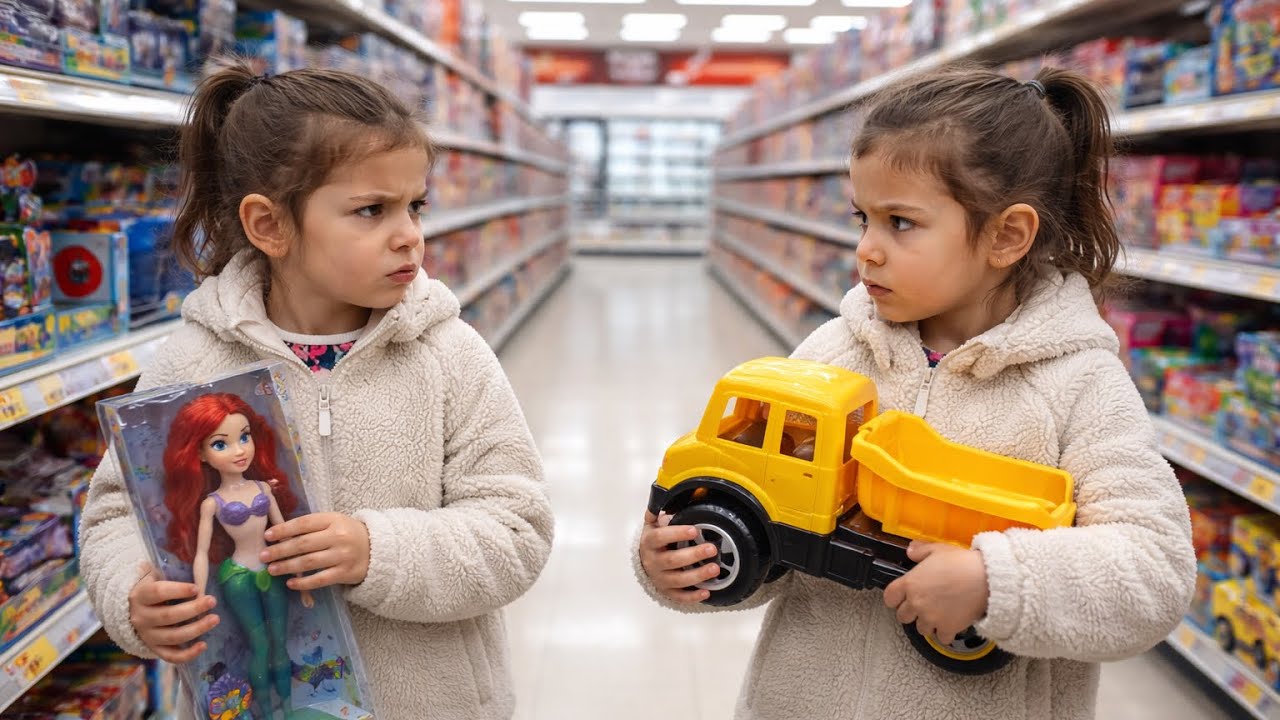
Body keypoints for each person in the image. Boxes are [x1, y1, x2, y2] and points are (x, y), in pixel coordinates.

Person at [636, 65, 1195, 720]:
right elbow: (770, 541)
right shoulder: (832, 354)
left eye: (900, 223)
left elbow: (1155, 572)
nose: (866, 250)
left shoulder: (1080, 387)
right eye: (861, 218)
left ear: (1007, 236)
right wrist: (683, 562)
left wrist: (1000, 582)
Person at [80, 61, 554, 720]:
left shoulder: (450, 356)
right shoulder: (194, 362)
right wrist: (134, 593)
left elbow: (517, 530)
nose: (409, 233)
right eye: (371, 210)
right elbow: (115, 516)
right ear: (269, 226)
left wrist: (375, 551)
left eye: (415, 205)